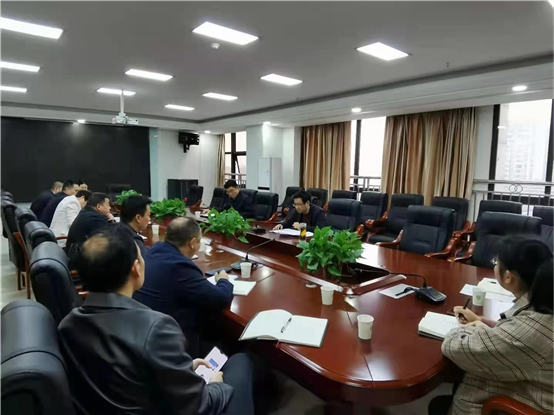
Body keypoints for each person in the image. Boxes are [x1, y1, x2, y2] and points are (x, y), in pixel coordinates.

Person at [58, 225, 255, 415]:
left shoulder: (67, 324)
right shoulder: (156, 328)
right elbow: (198, 407)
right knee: (241, 361)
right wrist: (215, 386)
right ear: (136, 269)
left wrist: (181, 368)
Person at [430, 236, 554, 415]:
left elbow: (455, 347)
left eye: (496, 262)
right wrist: (481, 321)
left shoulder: (534, 326)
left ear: (508, 276)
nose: (494, 265)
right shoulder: (544, 305)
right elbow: (516, 333)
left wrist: (465, 329)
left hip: (511, 402)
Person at [133, 217, 233, 357]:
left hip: (142, 335)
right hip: (170, 346)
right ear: (192, 243)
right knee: (227, 343)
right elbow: (221, 298)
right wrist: (223, 280)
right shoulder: (180, 267)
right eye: (199, 241)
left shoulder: (154, 250)